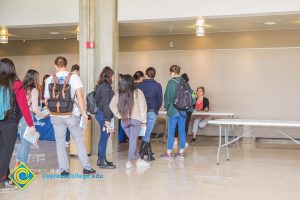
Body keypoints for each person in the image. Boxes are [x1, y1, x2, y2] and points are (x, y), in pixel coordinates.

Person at [44, 56, 95, 175]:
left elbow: (46, 100)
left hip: (55, 116)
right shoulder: (74, 77)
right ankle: (86, 168)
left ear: (55, 66)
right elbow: (80, 96)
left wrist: (53, 111)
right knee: (78, 140)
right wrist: (83, 112)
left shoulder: (50, 79)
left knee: (60, 143)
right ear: (66, 65)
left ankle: (64, 170)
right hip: (71, 114)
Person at [0, 58, 36, 190]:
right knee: (6, 153)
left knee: (1, 152)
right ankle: (1, 182)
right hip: (9, 123)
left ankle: (7, 179)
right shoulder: (16, 84)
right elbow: (24, 107)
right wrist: (31, 124)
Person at [109, 74, 150, 169]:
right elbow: (143, 107)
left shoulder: (119, 93)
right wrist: (144, 121)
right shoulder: (138, 92)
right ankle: (129, 161)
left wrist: (119, 115)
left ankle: (139, 160)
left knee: (132, 141)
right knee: (133, 141)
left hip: (124, 121)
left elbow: (111, 105)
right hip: (136, 120)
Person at [15, 70, 48, 172]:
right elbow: (34, 108)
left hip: (19, 117)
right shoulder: (34, 90)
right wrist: (43, 115)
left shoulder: (21, 88)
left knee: (22, 143)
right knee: (26, 144)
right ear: (34, 78)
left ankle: (17, 166)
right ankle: (23, 169)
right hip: (27, 117)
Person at [160, 65, 187, 160]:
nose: (169, 74)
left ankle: (169, 153)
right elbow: (191, 95)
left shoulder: (171, 82)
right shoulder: (184, 82)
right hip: (183, 111)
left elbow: (167, 97)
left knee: (171, 132)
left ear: (173, 72)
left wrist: (167, 107)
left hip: (173, 110)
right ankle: (181, 153)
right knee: (182, 131)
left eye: (170, 72)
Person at [138, 67, 163, 161]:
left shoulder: (140, 85)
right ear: (154, 74)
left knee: (145, 133)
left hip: (142, 112)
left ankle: (149, 154)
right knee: (147, 134)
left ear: (146, 74)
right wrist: (156, 110)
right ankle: (140, 156)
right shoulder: (157, 85)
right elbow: (160, 100)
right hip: (152, 111)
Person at [95, 66, 116, 169]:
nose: (114, 78)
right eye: (113, 75)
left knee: (104, 136)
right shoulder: (105, 87)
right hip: (104, 115)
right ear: (109, 76)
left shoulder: (101, 86)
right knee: (104, 137)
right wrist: (108, 120)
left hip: (101, 114)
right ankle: (102, 161)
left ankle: (101, 159)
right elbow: (106, 105)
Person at [174, 73, 193, 148]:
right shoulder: (190, 90)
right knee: (185, 125)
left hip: (178, 109)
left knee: (176, 125)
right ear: (188, 80)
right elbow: (193, 100)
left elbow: (174, 98)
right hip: (188, 110)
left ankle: (175, 141)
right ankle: (183, 141)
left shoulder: (177, 88)